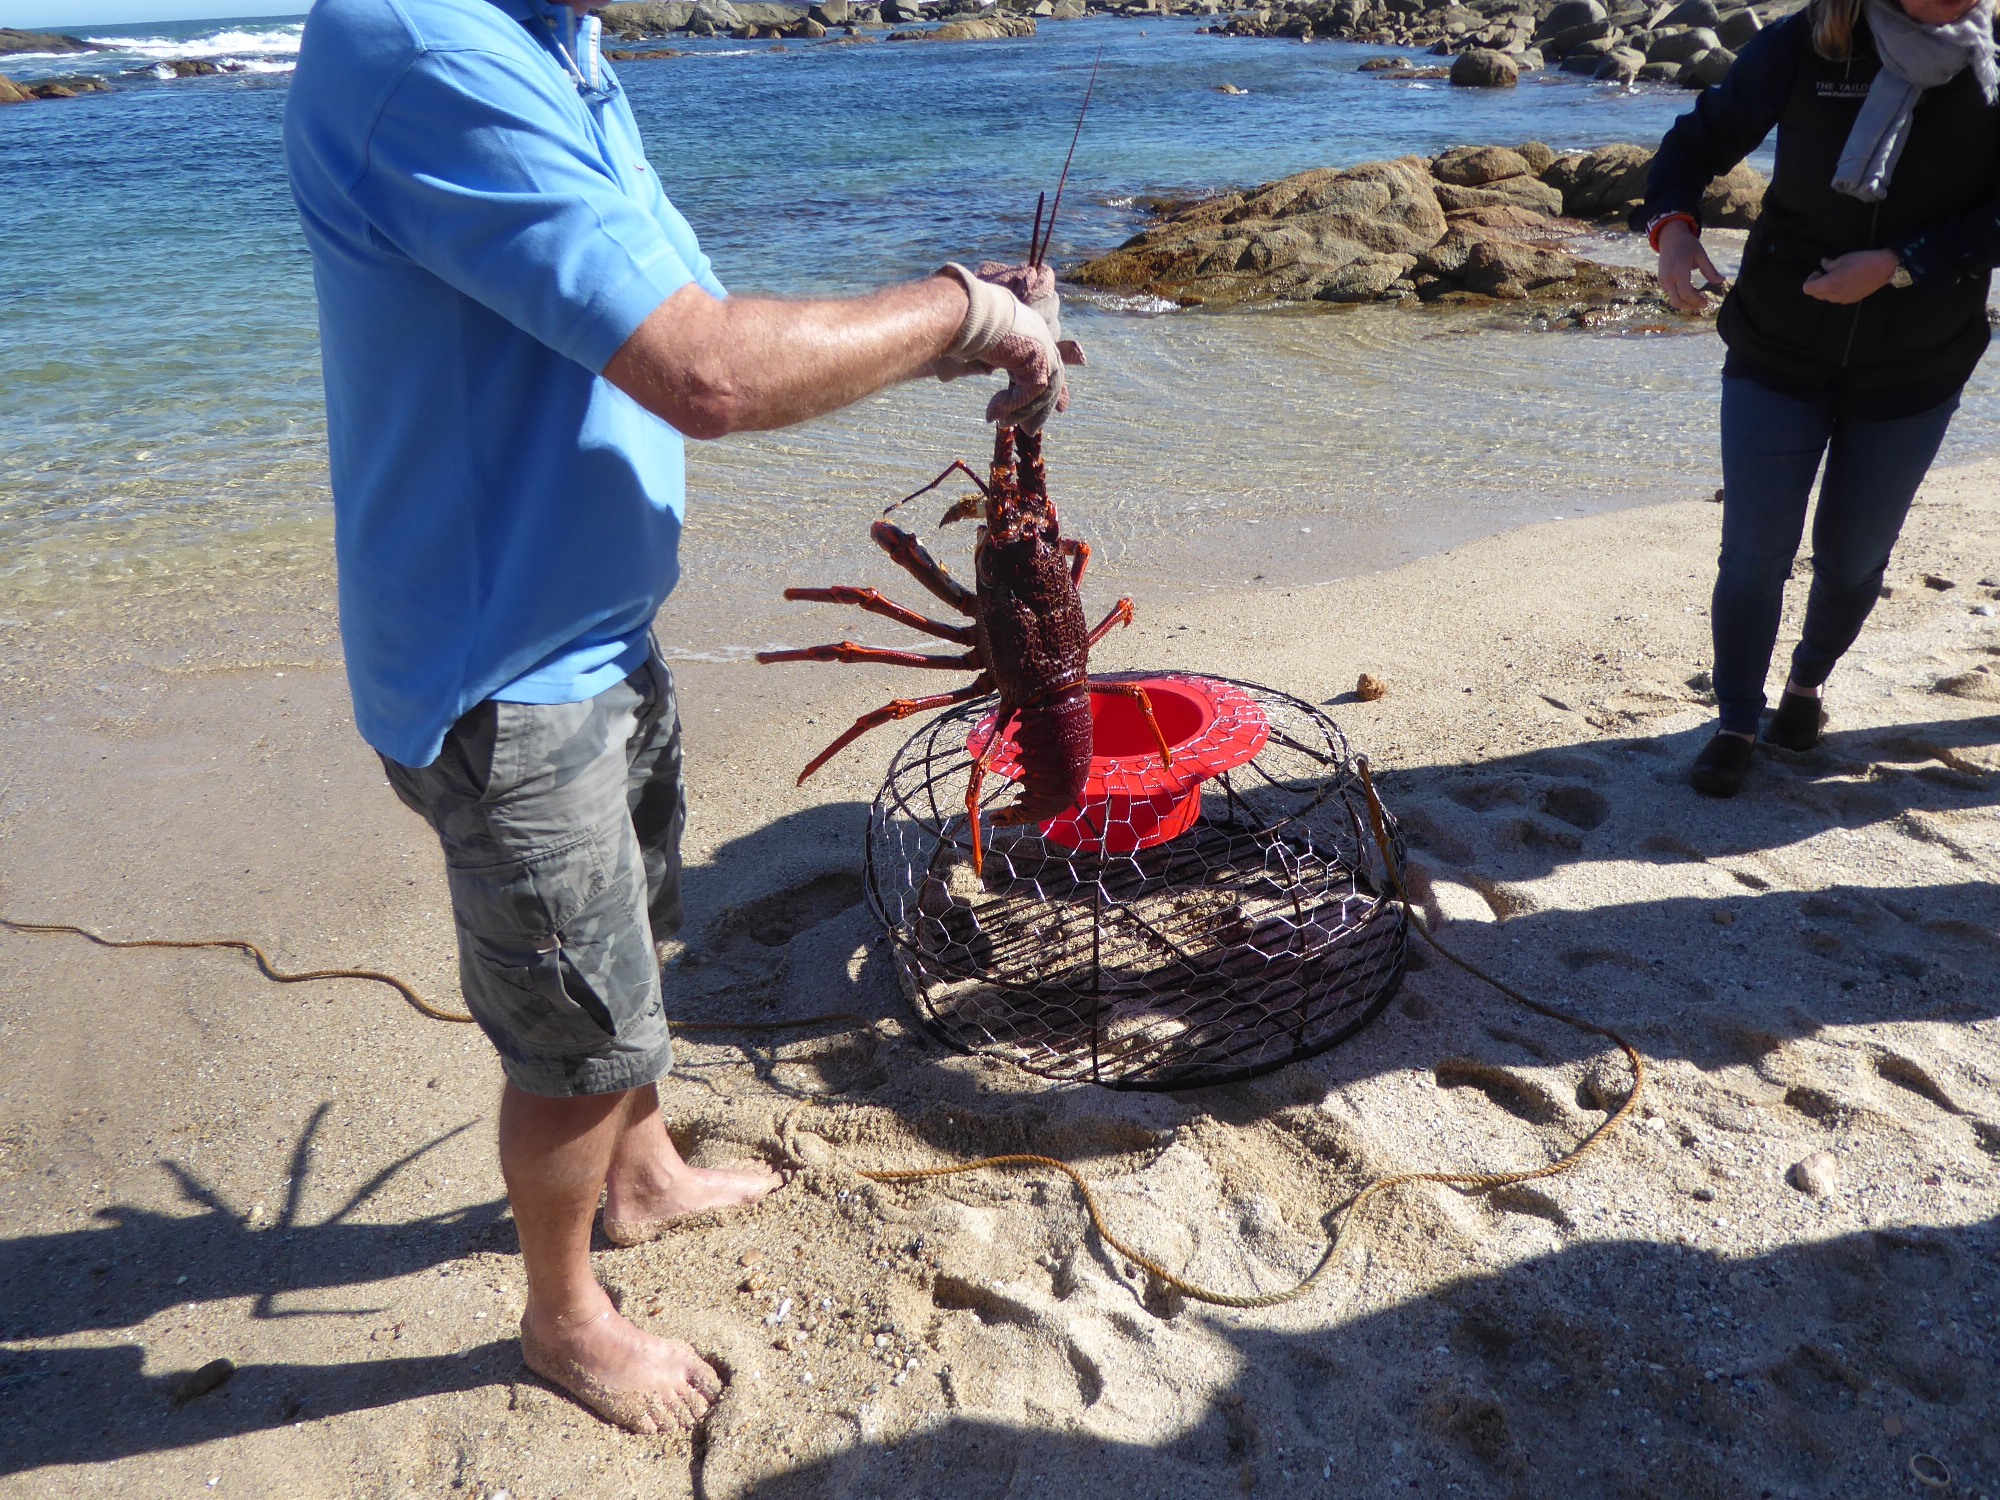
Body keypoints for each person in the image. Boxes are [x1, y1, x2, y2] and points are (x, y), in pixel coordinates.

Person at [283, 0, 1079, 1434]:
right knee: (575, 1034)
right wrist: (963, 311)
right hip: (506, 676)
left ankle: (640, 1183)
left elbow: (690, 307)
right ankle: (563, 1312)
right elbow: (706, 370)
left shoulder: (558, 43)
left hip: (591, 630)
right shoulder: (426, 46)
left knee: (634, 935)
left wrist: (953, 324)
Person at [1641, 0, 1999, 797]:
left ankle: (1806, 685)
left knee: (1853, 558)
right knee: (1754, 553)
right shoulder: (1810, 40)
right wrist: (1672, 226)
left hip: (1919, 360)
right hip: (1778, 343)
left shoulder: (1994, 61)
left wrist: (1900, 261)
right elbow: (1698, 140)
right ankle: (1735, 718)